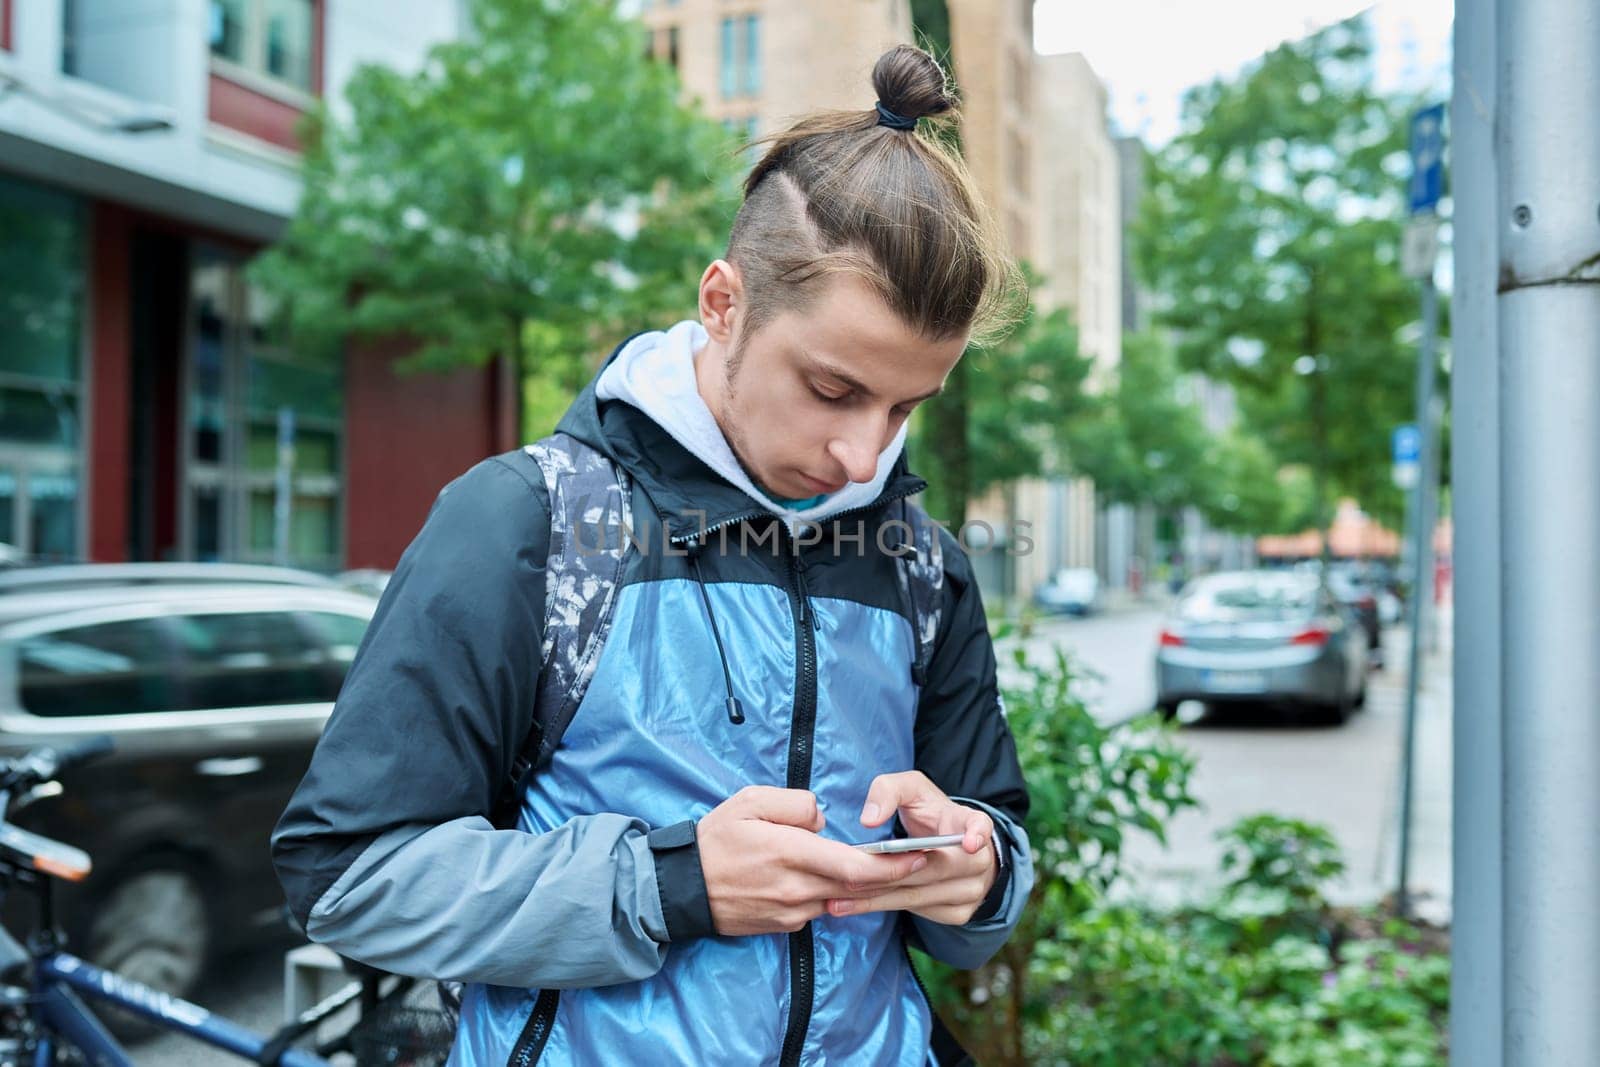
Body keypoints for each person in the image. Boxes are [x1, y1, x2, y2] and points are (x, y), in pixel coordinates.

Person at [272, 44, 1033, 1066]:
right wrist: (670, 884)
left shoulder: (918, 563)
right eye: (832, 389)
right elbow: (348, 874)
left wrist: (975, 875)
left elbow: (992, 847)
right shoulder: (522, 521)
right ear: (724, 304)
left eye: (906, 406)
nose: (865, 452)